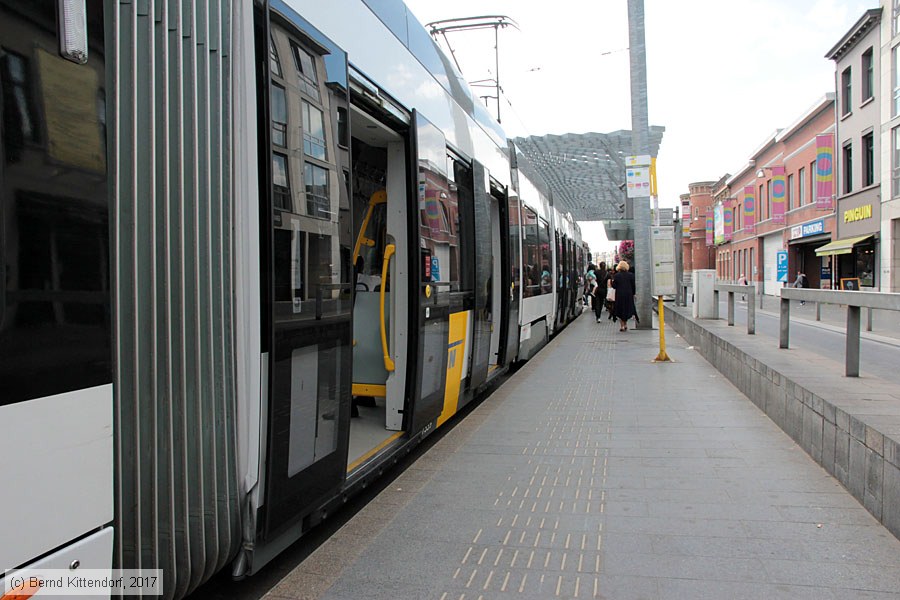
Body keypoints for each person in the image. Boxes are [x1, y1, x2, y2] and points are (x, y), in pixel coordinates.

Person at [611, 260, 636, 331]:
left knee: (620, 309)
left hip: (619, 295)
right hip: (628, 294)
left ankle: (622, 325)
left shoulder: (616, 276)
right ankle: (625, 324)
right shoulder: (631, 275)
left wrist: (612, 282)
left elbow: (614, 286)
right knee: (627, 309)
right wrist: (633, 293)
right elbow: (633, 286)